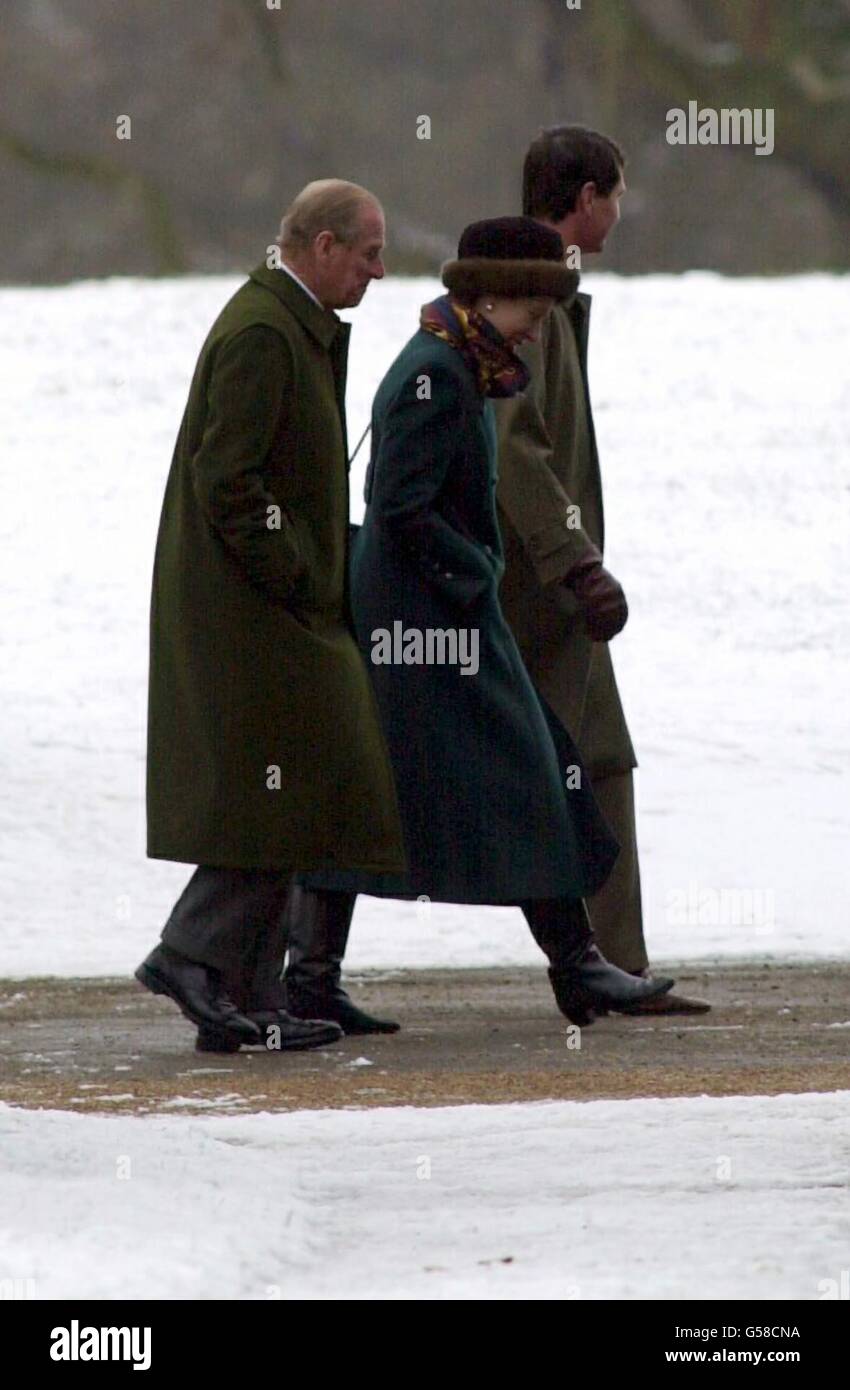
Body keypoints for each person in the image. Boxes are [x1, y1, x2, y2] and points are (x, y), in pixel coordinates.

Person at [285, 218, 673, 1031]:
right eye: (531, 308)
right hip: (428, 624)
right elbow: (397, 509)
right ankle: (577, 967)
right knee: (526, 772)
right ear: (489, 296)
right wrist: (476, 575)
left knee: (392, 787)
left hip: (430, 616)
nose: (538, 326)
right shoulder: (437, 374)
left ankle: (315, 977)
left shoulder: (456, 362)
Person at [135, 180, 407, 1053]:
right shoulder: (264, 331)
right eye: (367, 252)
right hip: (248, 610)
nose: (378, 270)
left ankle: (246, 999)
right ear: (322, 247)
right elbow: (229, 477)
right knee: (297, 777)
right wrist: (294, 571)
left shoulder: (292, 324)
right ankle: (190, 954)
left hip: (272, 603)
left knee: (286, 787)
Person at [492, 126, 708, 1013]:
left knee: (598, 762)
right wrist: (575, 563)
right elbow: (516, 448)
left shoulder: (550, 292)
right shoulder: (529, 298)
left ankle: (612, 964)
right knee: (433, 775)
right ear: (584, 200)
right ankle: (281, 958)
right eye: (615, 193)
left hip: (551, 589)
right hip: (528, 592)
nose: (621, 209)